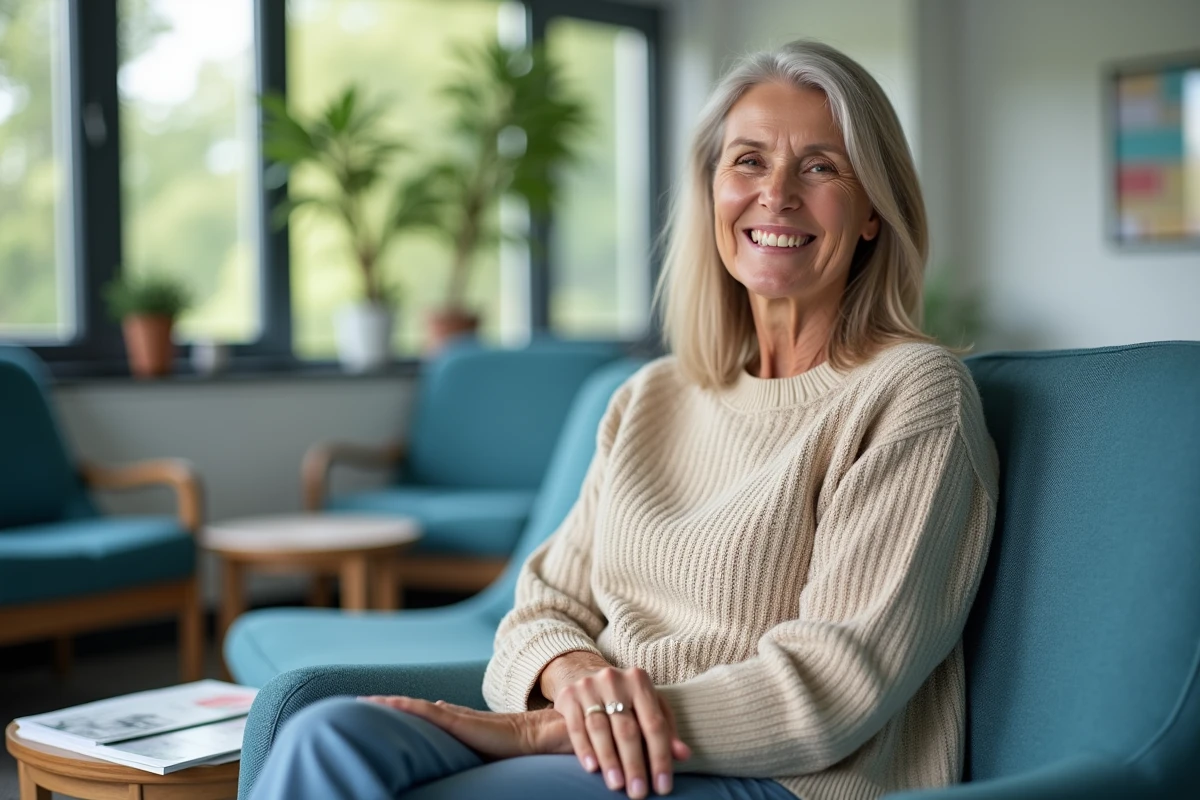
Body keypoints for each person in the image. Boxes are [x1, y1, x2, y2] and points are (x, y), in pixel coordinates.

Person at [251, 38, 998, 800]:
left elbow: (837, 685)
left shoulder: (911, 394)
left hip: (783, 778)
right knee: (325, 734)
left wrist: (543, 729)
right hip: (602, 748)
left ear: (873, 210)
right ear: (712, 193)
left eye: (819, 166)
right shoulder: (650, 397)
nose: (777, 193)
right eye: (747, 161)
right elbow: (542, 604)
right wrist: (570, 675)